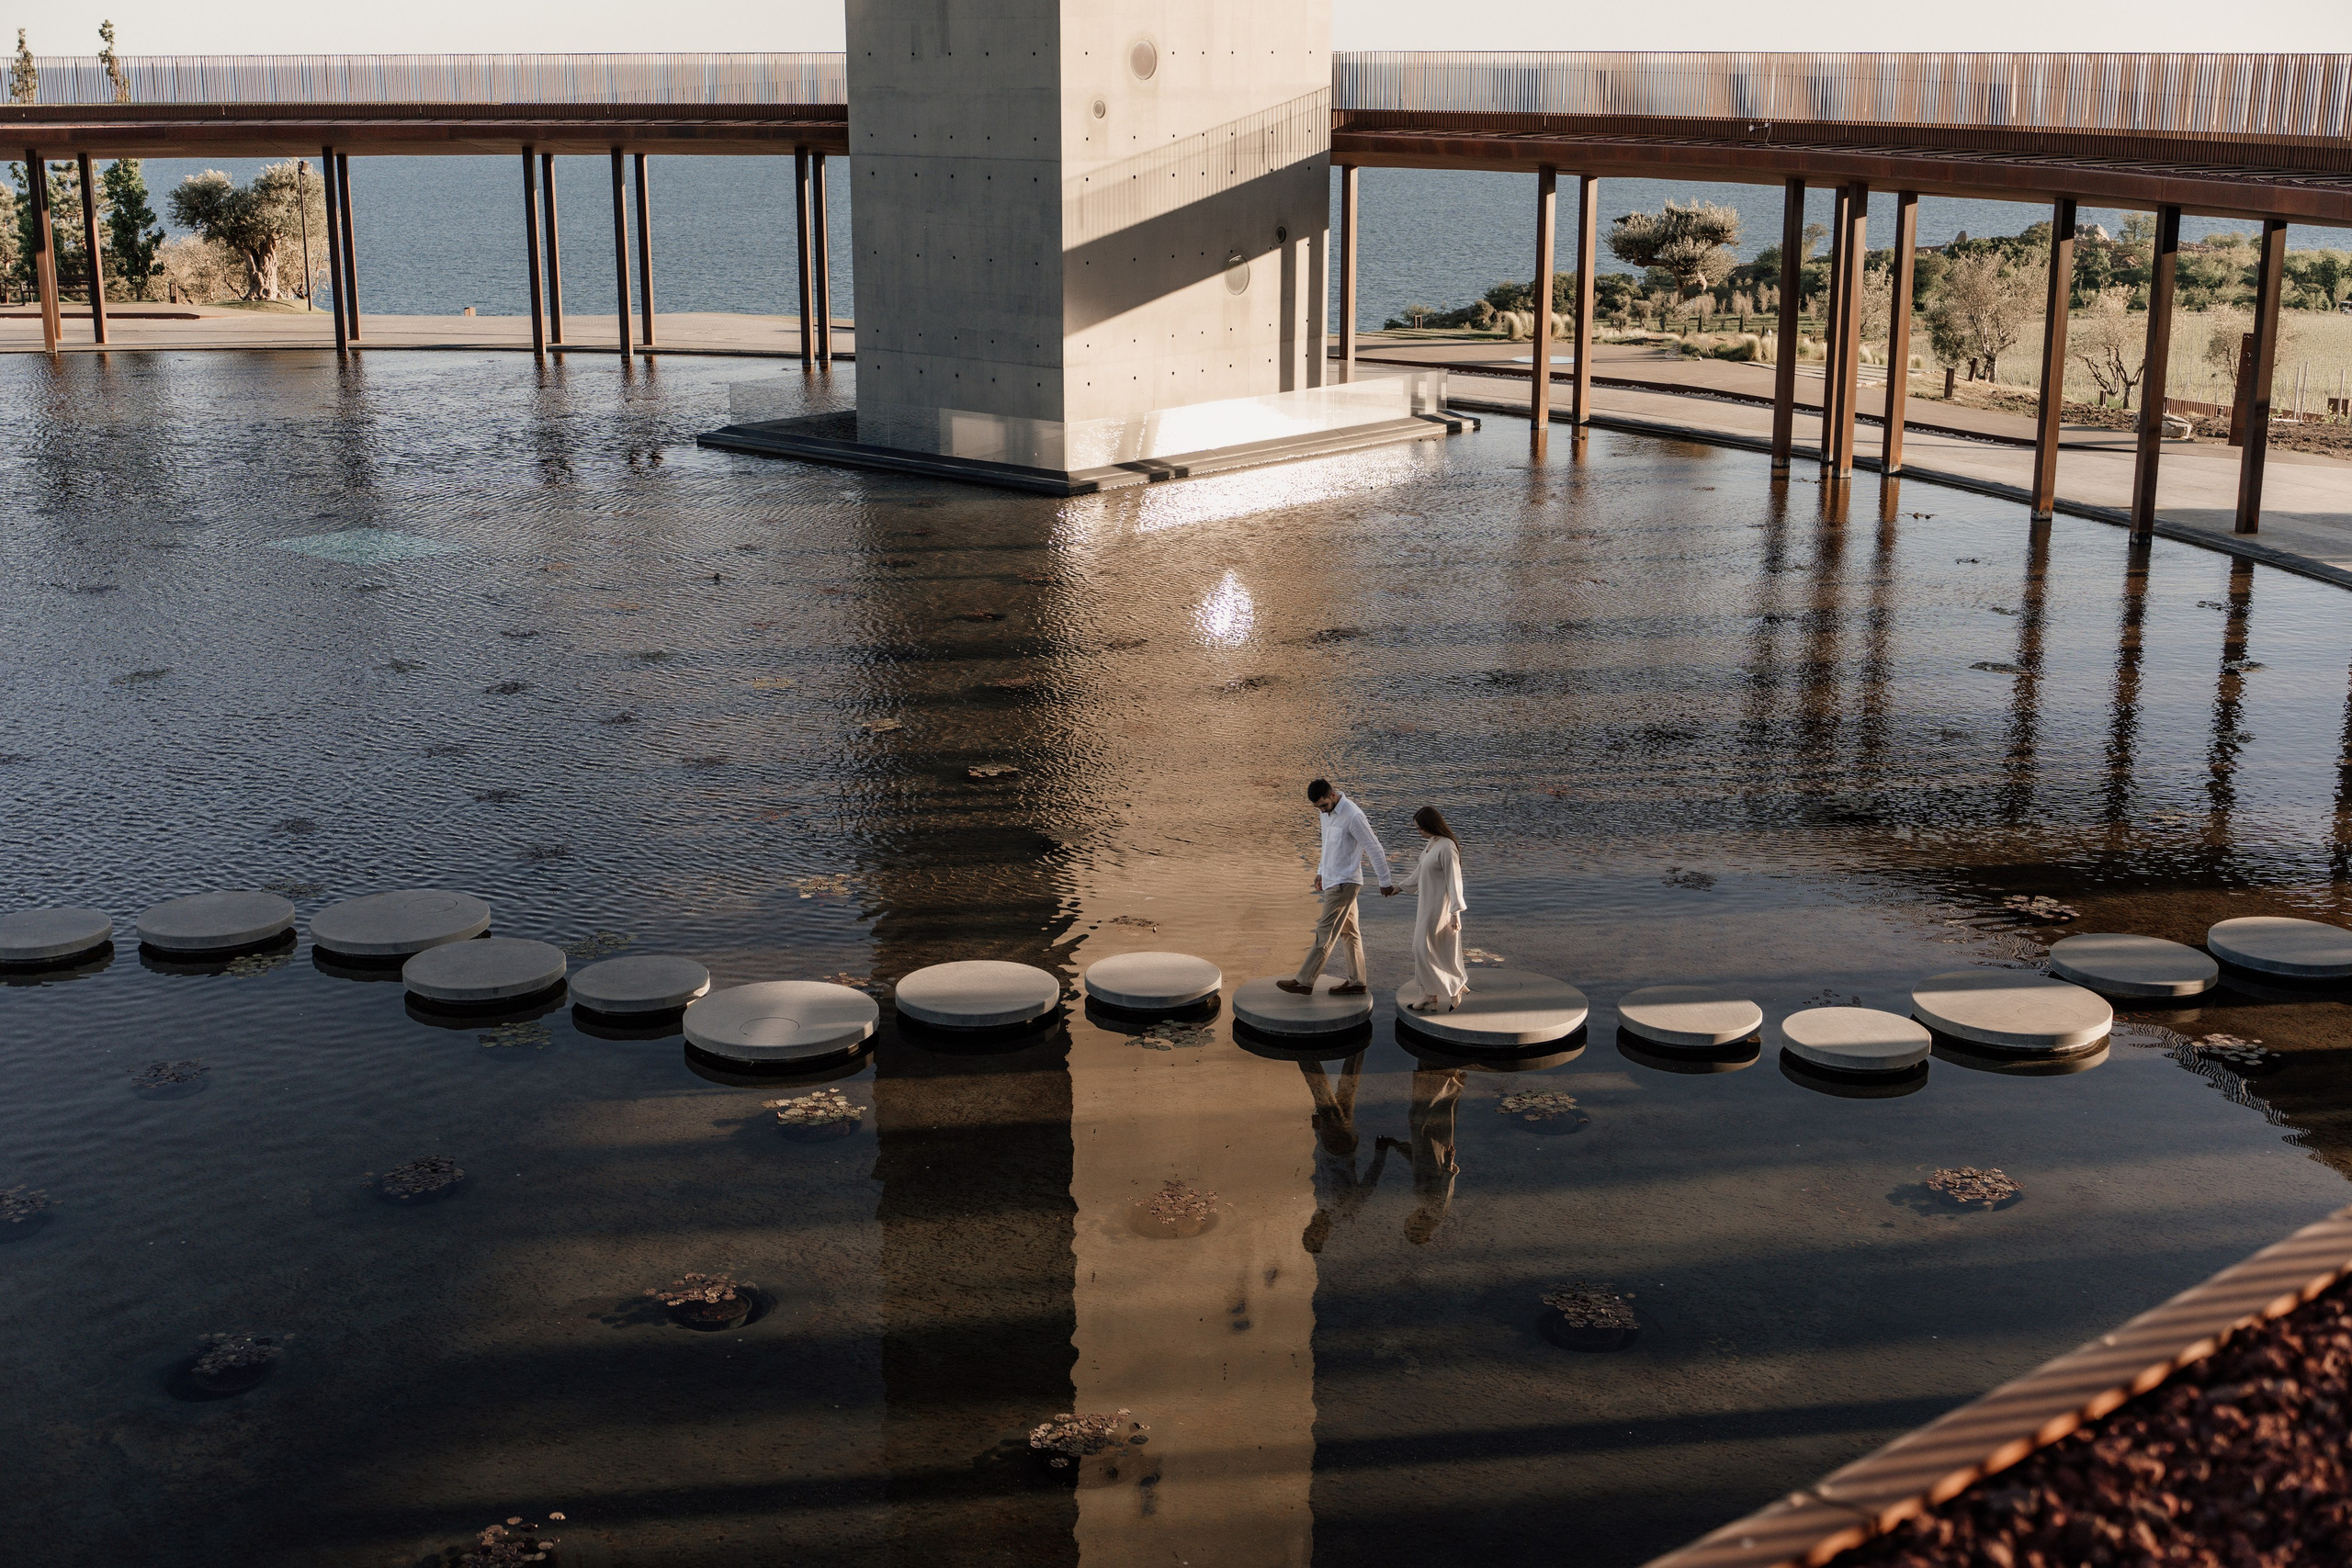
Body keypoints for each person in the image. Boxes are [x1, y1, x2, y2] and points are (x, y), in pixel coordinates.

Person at [1278, 778, 1395, 997]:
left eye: (1323, 805)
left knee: (1325, 932)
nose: (1321, 811)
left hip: (1344, 882)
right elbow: (1327, 844)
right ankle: (1357, 982)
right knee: (1349, 932)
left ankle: (1304, 981)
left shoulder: (1353, 816)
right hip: (1333, 879)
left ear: (1332, 795)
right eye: (1318, 808)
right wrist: (1321, 870)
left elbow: (1374, 848)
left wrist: (1385, 882)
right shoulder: (1326, 814)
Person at [1395, 806, 1467, 1012]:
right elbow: (1420, 871)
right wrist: (1399, 887)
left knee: (1425, 949)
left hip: (1440, 908)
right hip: (1426, 905)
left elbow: (1455, 880)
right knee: (1422, 949)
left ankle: (1454, 987)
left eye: (1420, 829)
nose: (1419, 833)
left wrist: (1455, 913)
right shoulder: (1432, 843)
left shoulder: (1446, 846)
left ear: (1431, 825)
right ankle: (1430, 994)